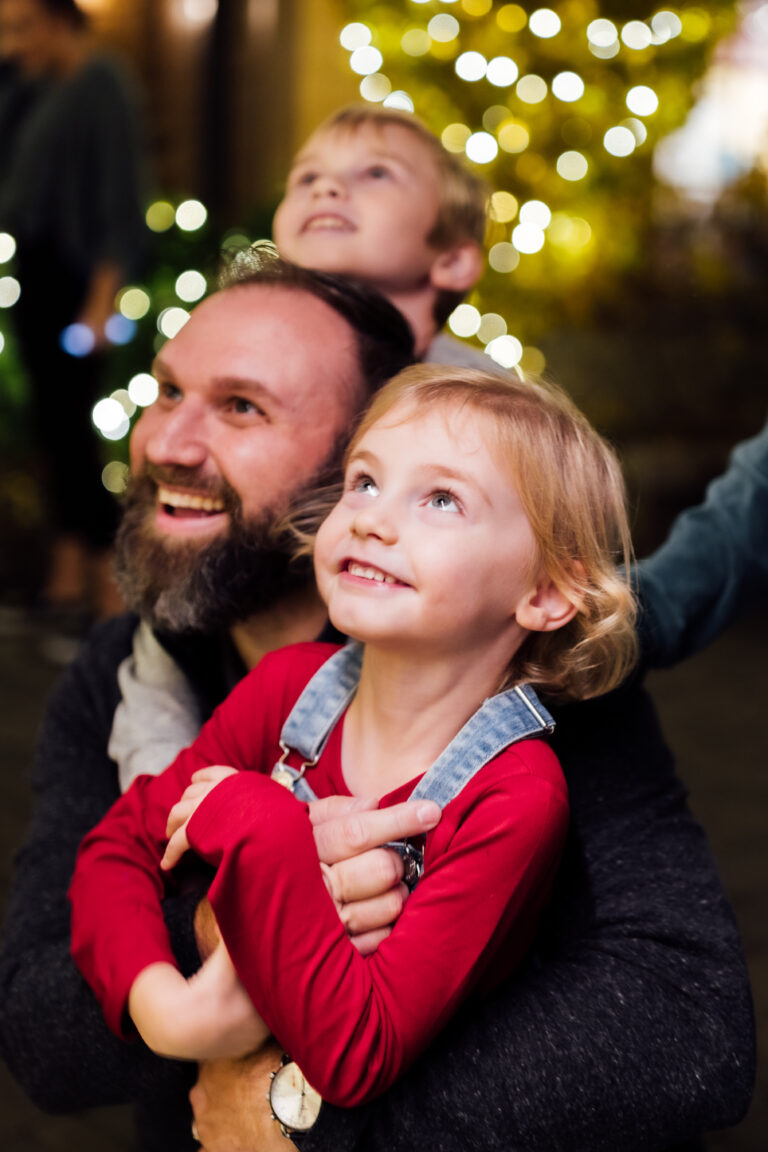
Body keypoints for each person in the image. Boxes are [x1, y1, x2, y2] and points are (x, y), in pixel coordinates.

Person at [69, 365, 637, 1109]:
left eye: (441, 499)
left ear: (546, 594)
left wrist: (259, 818)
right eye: (364, 482)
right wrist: (166, 1013)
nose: (371, 517)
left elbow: (360, 1055)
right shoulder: (287, 688)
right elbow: (116, 851)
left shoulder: (515, 796)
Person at [0, 0, 145, 619]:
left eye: (20, 26)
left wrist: (99, 302)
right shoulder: (35, 89)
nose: (9, 42)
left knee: (74, 435)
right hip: (39, 275)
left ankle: (114, 593)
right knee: (53, 433)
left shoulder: (102, 83)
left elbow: (121, 195)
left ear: (60, 21)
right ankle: (65, 583)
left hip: (78, 282)